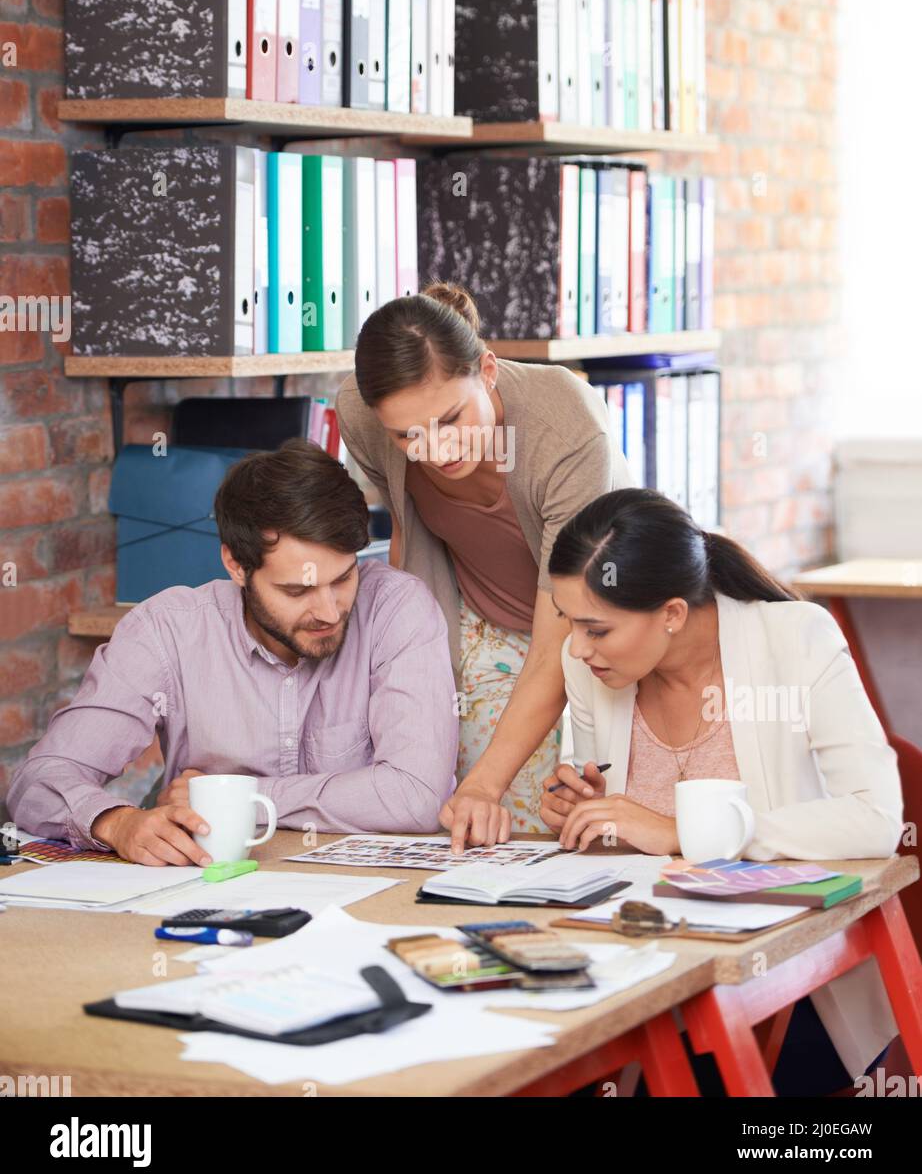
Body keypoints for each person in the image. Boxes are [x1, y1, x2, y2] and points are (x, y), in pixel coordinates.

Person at [543, 486, 903, 1092]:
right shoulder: (590, 667)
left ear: (673, 613)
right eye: (568, 624)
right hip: (641, 964)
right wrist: (583, 810)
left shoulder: (798, 639)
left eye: (596, 629)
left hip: (784, 978)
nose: (576, 649)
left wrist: (687, 835)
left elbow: (874, 818)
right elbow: (610, 815)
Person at [7, 440, 458, 864]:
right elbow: (39, 782)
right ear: (236, 566)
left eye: (342, 578)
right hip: (208, 891)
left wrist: (242, 797)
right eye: (296, 590)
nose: (328, 611)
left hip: (375, 897)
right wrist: (115, 822)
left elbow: (416, 796)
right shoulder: (167, 631)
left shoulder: (397, 609)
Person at [335, 282, 631, 848]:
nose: (437, 450)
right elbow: (407, 539)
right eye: (408, 436)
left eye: (451, 421)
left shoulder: (564, 427)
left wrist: (484, 785)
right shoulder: (362, 412)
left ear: (488, 371)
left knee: (519, 813)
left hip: (583, 626)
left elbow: (558, 638)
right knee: (447, 815)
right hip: (475, 614)